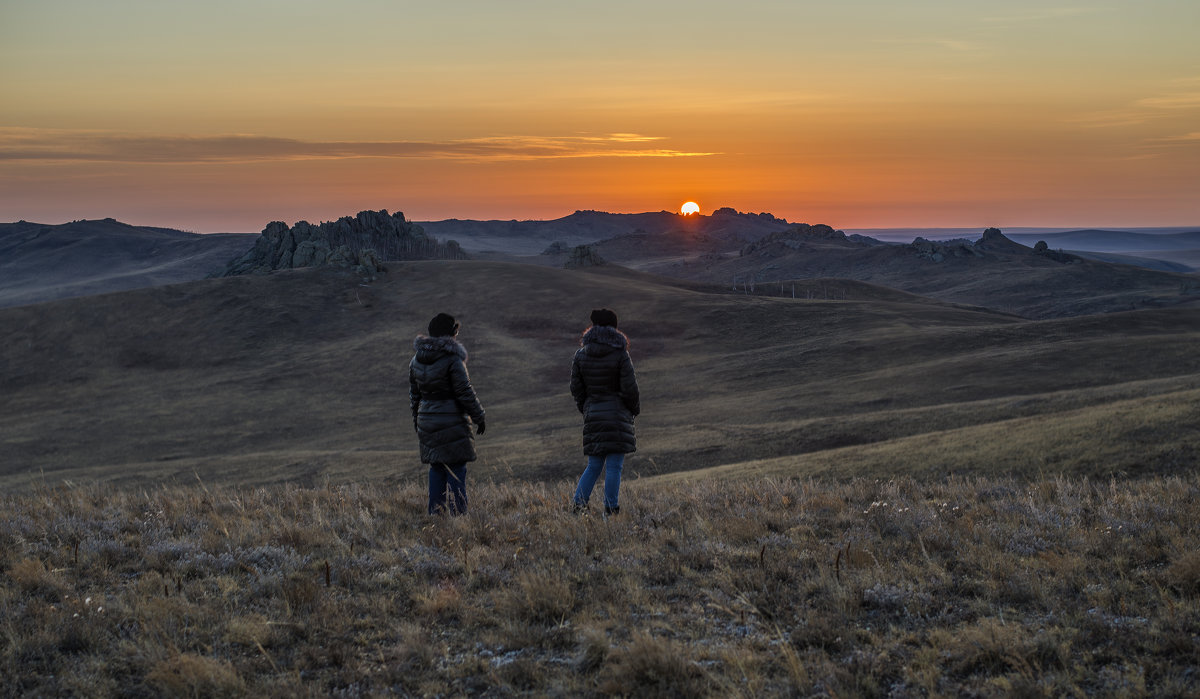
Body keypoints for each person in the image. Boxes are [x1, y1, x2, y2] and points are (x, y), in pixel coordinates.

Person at [410, 313, 486, 515]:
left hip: (427, 420)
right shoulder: (453, 360)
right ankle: (458, 516)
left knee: (436, 468)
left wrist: (417, 419)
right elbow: (465, 392)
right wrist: (479, 416)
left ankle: (436, 514)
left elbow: (414, 395)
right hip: (451, 420)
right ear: (451, 333)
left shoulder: (416, 360)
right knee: (456, 469)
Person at [570, 308, 640, 516]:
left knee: (593, 465)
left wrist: (586, 407)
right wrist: (633, 409)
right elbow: (630, 387)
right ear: (614, 329)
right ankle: (611, 510)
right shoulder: (620, 354)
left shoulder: (581, 355)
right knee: (614, 466)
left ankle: (578, 505)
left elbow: (576, 387)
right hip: (617, 415)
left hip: (593, 415)